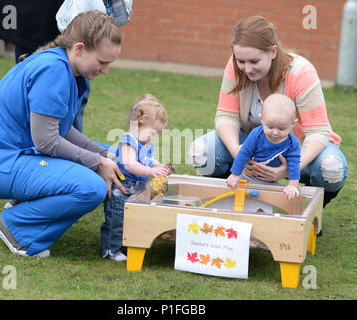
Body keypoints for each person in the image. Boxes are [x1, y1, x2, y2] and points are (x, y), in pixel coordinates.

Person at [0, 11, 127, 258]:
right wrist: (97, 162)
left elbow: (64, 130)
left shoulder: (65, 66)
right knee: (91, 188)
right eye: (102, 62)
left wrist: (106, 153)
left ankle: (30, 201)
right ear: (79, 49)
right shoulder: (53, 70)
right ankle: (17, 227)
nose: (105, 70)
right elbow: (46, 141)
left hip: (18, 158)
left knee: (115, 159)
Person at [189, 15, 348, 208]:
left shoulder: (301, 72)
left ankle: (306, 210)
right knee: (202, 153)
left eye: (254, 61)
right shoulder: (235, 67)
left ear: (273, 52)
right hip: (252, 145)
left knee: (331, 169)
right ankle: (230, 200)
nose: (247, 69)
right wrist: (238, 152)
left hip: (297, 148)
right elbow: (226, 115)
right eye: (241, 61)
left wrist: (290, 169)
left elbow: (318, 132)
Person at [101, 94, 174, 261]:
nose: (153, 138)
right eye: (153, 133)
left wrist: (159, 167)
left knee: (133, 218)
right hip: (122, 188)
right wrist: (150, 172)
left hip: (136, 188)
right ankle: (111, 250)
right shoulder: (129, 140)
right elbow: (129, 164)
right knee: (117, 219)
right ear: (139, 124)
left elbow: (149, 160)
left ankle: (126, 245)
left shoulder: (145, 142)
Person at [226, 93, 301, 200]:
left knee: (265, 204)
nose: (275, 133)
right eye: (270, 127)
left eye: (282, 129)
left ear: (293, 124)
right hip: (247, 176)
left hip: (270, 181)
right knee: (240, 200)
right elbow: (244, 153)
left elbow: (294, 164)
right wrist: (235, 174)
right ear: (262, 119)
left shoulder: (292, 143)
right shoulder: (256, 134)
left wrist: (293, 185)